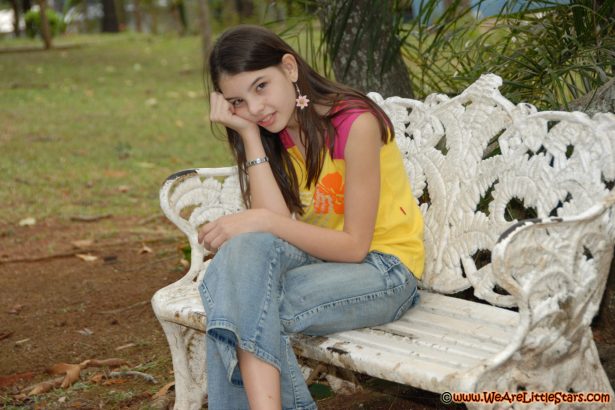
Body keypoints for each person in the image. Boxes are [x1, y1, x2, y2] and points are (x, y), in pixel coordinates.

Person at [197, 24, 424, 410]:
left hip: (385, 271)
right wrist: (249, 135)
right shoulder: (275, 132)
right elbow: (269, 231)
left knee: (239, 300)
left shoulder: (355, 123)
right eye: (238, 101)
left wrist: (262, 221)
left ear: (289, 68)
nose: (255, 108)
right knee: (242, 272)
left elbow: (354, 247)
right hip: (324, 265)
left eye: (261, 86)